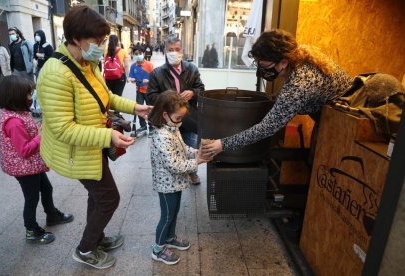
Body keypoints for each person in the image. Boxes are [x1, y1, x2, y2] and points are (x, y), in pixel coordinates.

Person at [36, 5, 152, 269]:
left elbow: (106, 96)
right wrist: (108, 135)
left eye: (102, 40)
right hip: (77, 150)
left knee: (97, 196)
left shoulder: (87, 63)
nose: (101, 46)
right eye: (97, 40)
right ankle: (86, 249)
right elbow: (63, 128)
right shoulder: (55, 73)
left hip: (92, 145)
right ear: (76, 38)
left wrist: (136, 108)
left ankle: (96, 237)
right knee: (109, 198)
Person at [201, 29, 352, 158]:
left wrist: (221, 144)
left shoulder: (300, 84)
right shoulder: (299, 55)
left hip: (345, 122)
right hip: (333, 115)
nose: (262, 70)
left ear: (284, 62)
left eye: (265, 65)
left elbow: (268, 127)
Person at [0, 75, 73, 245]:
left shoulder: (17, 113)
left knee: (47, 189)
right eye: (28, 94)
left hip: (30, 166)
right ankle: (31, 230)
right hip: (23, 167)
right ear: (16, 97)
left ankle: (51, 215)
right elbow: (24, 150)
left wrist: (37, 130)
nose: (31, 98)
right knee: (31, 198)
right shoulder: (14, 122)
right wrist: (40, 136)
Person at [148, 91, 208, 265]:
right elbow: (173, 165)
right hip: (166, 185)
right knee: (166, 216)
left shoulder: (172, 128)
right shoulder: (161, 135)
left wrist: (196, 153)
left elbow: (182, 149)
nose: (180, 121)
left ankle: (170, 237)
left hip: (176, 183)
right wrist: (196, 162)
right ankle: (158, 249)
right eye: (178, 117)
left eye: (182, 117)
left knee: (174, 213)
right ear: (165, 115)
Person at [147, 37, 205, 185]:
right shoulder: (157, 73)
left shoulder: (192, 69)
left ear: (182, 51)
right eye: (171, 50)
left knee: (190, 145)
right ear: (165, 51)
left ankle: (192, 172)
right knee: (173, 147)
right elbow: (151, 97)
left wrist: (192, 92)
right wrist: (170, 99)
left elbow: (201, 89)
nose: (174, 52)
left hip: (189, 116)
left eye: (177, 49)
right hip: (168, 119)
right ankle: (174, 170)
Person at [128, 48, 154, 137]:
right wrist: (131, 79)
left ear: (143, 54)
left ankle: (151, 126)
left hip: (148, 91)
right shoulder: (133, 66)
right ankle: (143, 126)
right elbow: (130, 76)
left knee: (149, 108)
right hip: (139, 90)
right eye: (135, 54)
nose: (137, 56)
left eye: (139, 53)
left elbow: (155, 78)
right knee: (139, 108)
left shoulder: (149, 65)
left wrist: (149, 80)